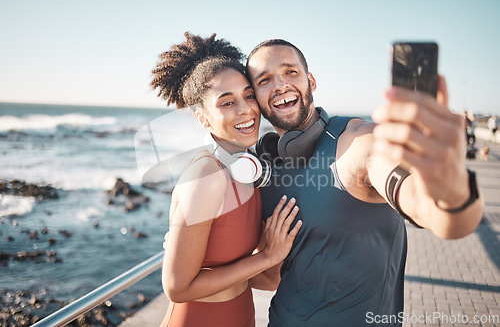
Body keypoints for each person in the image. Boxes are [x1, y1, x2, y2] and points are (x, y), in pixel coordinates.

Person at [245, 39, 484, 326]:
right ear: (255, 97)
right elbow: (272, 277)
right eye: (265, 80)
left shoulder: (357, 142)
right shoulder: (264, 167)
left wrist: (451, 188)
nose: (280, 85)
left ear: (311, 81)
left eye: (290, 72)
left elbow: (443, 218)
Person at [150, 33, 302, 327]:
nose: (245, 109)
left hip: (242, 315)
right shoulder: (207, 175)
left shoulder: (250, 170)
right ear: (203, 118)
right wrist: (265, 256)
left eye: (248, 96)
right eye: (226, 102)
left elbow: (268, 279)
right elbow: (177, 288)